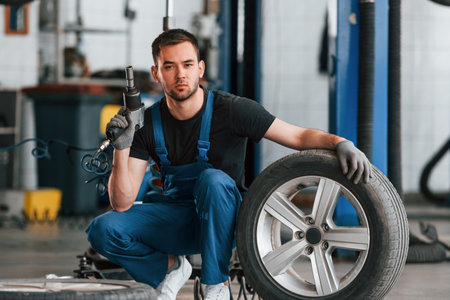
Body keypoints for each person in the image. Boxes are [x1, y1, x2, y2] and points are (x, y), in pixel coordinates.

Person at [86, 28, 371, 300]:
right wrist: (121, 147)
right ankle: (171, 267)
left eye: (187, 64)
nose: (180, 74)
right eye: (169, 66)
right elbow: (122, 203)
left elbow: (296, 135)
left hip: (229, 222)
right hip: (178, 220)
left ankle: (216, 285)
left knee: (213, 180)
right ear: (156, 73)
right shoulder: (145, 124)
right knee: (102, 229)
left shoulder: (233, 110)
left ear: (200, 68)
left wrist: (339, 142)